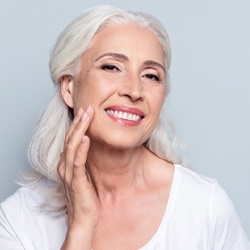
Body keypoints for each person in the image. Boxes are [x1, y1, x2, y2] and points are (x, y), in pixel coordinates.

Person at [0, 5, 249, 250]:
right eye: (111, 67)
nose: (134, 90)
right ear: (69, 88)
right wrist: (80, 227)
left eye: (151, 75)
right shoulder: (17, 220)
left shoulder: (206, 207)